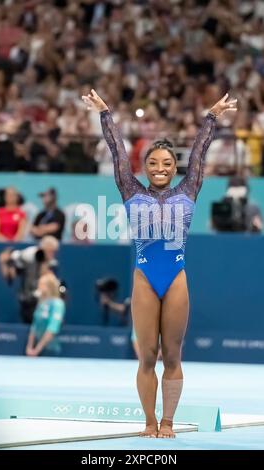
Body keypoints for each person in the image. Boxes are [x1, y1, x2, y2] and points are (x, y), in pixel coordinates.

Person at [82, 89, 237, 438]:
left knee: (173, 355)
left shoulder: (190, 188)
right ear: (145, 168)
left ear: (175, 168)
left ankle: (168, 420)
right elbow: (117, 153)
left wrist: (211, 116)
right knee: (147, 356)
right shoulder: (130, 190)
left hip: (176, 277)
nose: (161, 168)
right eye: (154, 163)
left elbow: (200, 152)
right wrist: (105, 114)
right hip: (145, 278)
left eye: (167, 163)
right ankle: (149, 421)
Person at [0, 235, 59, 323]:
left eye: (54, 252)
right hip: (28, 301)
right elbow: (11, 274)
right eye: (50, 251)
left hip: (45, 303)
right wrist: (4, 262)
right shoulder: (29, 255)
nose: (52, 254)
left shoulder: (53, 264)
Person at [26, 273, 65, 357]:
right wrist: (29, 347)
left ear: (50, 287)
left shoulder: (58, 304)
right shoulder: (41, 303)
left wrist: (37, 349)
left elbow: (52, 328)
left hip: (51, 351)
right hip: (36, 351)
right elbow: (34, 326)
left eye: (41, 285)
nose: (39, 287)